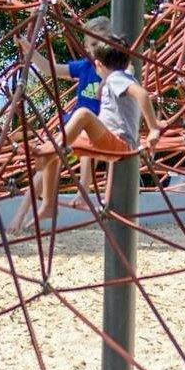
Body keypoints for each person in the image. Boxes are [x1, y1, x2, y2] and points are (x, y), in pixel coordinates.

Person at [34, 24, 144, 247]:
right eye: (90, 45)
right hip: (92, 129)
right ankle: (47, 204)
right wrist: (30, 51)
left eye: (97, 44)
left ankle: (84, 191)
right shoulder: (86, 67)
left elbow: (137, 87)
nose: (93, 50)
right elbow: (50, 69)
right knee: (54, 151)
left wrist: (153, 126)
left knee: (81, 121)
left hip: (107, 132)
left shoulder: (119, 74)